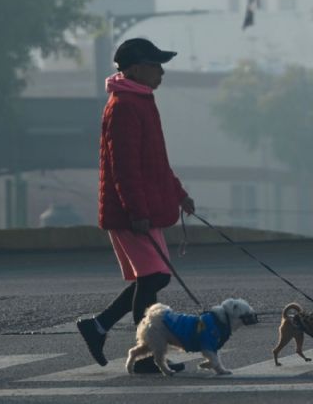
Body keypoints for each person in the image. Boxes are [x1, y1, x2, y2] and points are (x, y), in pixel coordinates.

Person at [76, 38, 195, 374]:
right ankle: (141, 354)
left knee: (153, 277)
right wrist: (136, 212)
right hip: (132, 212)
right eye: (155, 65)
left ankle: (99, 326)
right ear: (135, 69)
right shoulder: (124, 105)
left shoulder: (141, 101)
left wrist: (179, 195)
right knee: (154, 276)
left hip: (146, 208)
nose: (161, 72)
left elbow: (156, 163)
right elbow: (124, 167)